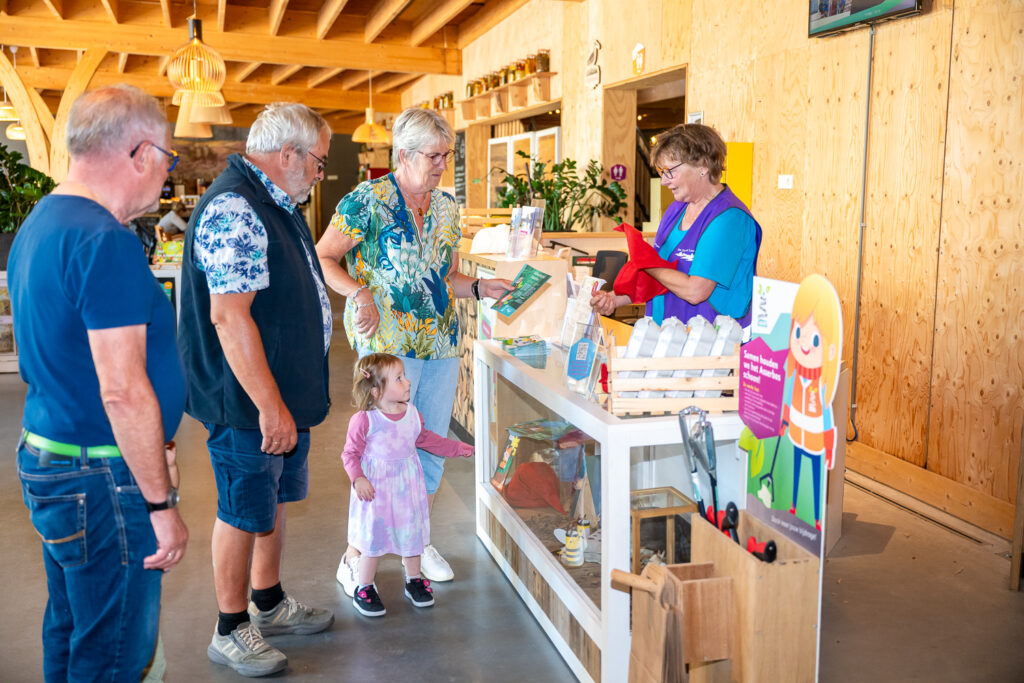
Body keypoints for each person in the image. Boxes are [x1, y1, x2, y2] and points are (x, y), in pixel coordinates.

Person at [7, 84, 188, 681]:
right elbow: (122, 389)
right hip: (103, 475)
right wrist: (160, 503)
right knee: (114, 653)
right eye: (168, 160)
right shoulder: (104, 240)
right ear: (139, 153)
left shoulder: (43, 222)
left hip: (53, 457)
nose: (165, 177)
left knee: (73, 629)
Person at [316, 107, 512, 591]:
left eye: (447, 154)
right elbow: (324, 256)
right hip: (386, 348)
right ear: (403, 155)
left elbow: (444, 277)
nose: (442, 163)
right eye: (434, 155)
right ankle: (353, 555)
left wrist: (482, 287)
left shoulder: (446, 206)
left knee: (426, 452)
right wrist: (358, 293)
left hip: (441, 344)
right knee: (380, 455)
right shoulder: (368, 200)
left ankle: (415, 542)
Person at [178, 102, 334, 678]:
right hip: (247, 402)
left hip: (278, 397)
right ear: (288, 153)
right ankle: (230, 626)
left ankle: (267, 601)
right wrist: (270, 406)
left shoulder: (276, 202)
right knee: (242, 510)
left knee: (270, 503)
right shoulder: (236, 209)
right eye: (318, 162)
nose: (320, 173)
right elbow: (229, 318)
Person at [591, 123, 763, 330]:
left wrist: (645, 262)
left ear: (703, 166)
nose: (664, 181)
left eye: (670, 171)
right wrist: (614, 299)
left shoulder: (730, 219)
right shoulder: (675, 210)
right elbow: (660, 278)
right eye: (661, 171)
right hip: (666, 336)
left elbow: (695, 291)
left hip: (709, 345)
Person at [342, 353, 474, 617]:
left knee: (412, 535)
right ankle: (364, 586)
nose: (408, 382)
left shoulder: (411, 414)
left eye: (404, 376)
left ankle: (414, 580)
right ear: (377, 390)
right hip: (376, 493)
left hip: (406, 492)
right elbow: (350, 454)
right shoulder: (365, 420)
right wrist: (358, 477)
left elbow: (427, 439)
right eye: (399, 378)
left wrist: (457, 447)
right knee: (372, 540)